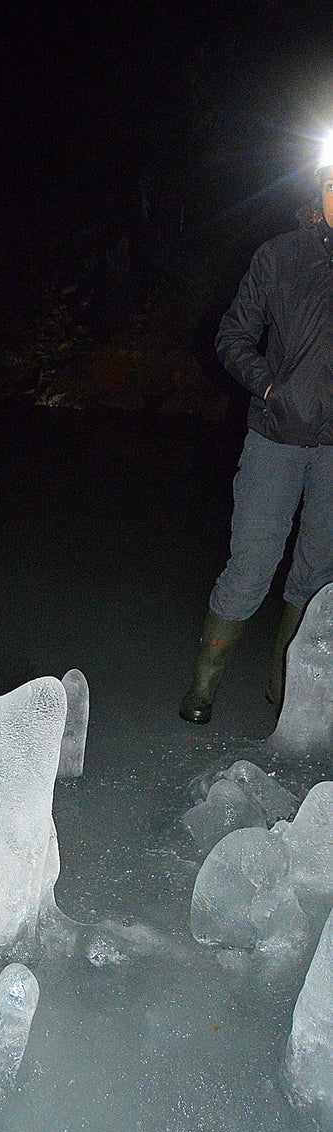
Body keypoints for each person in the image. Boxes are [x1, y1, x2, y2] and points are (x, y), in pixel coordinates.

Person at [179, 143, 333, 725]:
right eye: (331, 184)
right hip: (275, 439)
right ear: (315, 193)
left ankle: (288, 697)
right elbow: (233, 337)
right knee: (250, 568)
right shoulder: (279, 257)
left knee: (319, 577)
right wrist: (270, 388)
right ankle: (203, 686)